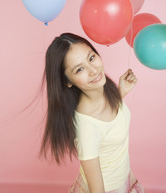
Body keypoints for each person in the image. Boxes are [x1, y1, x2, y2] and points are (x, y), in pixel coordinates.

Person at [40, 32, 146, 193]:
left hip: (123, 177)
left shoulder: (106, 95)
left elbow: (109, 122)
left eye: (91, 58)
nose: (93, 70)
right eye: (79, 69)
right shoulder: (86, 128)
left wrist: (120, 93)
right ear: (67, 81)